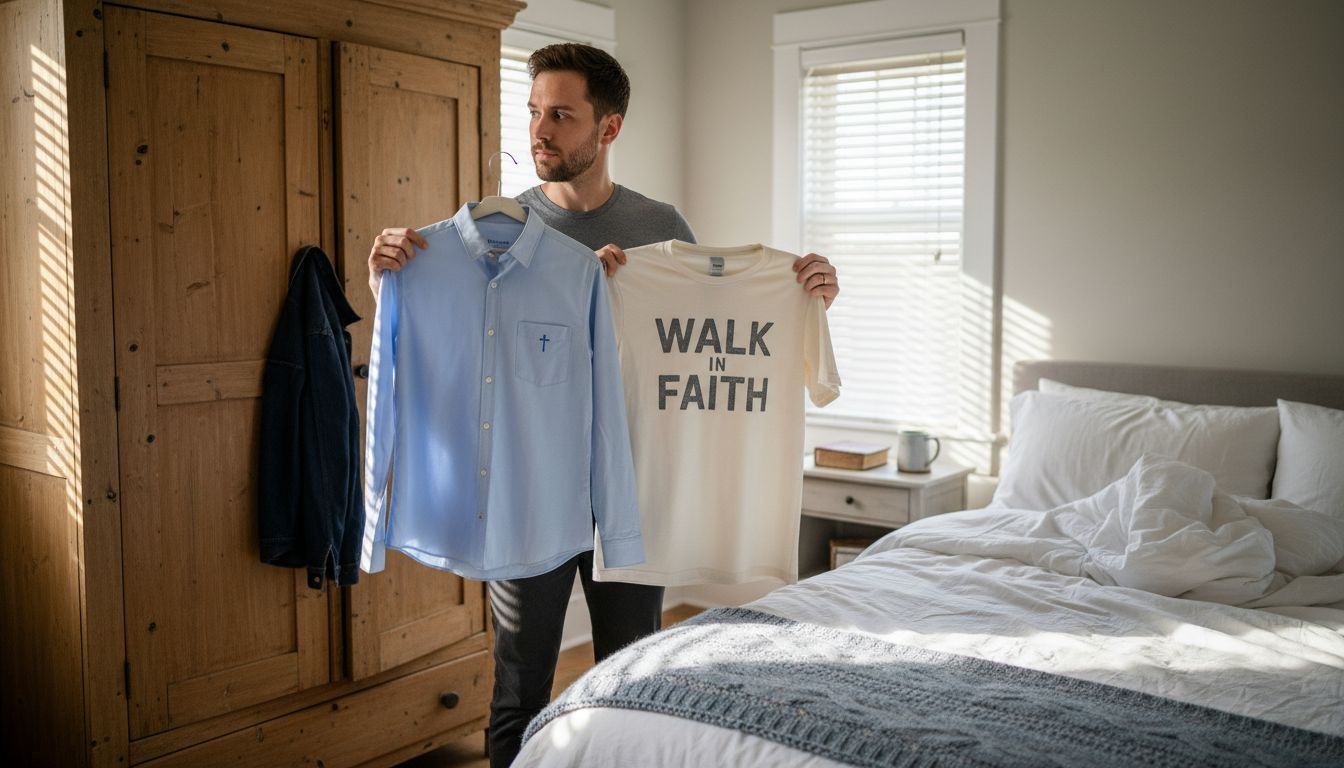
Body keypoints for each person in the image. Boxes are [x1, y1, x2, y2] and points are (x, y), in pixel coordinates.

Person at [365, 43, 840, 767]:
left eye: (560, 114)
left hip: (635, 486)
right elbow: (455, 339)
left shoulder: (661, 226)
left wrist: (806, 295)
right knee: (519, 684)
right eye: (532, 112)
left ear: (607, 129)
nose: (539, 131)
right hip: (532, 489)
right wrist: (389, 284)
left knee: (632, 675)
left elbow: (708, 332)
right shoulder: (498, 235)